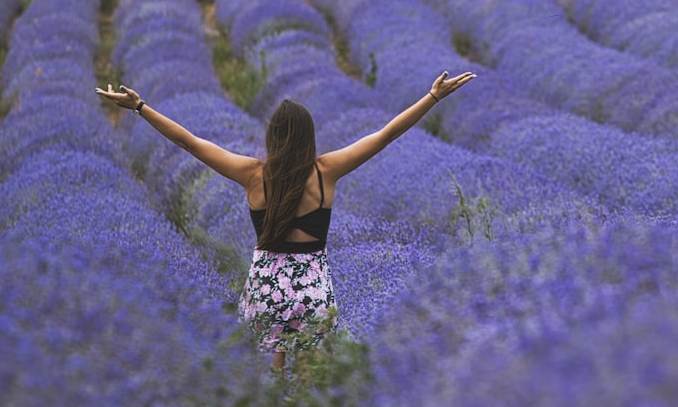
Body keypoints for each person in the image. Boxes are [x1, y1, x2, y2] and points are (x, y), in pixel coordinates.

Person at [96, 70, 476, 369]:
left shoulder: (252, 174)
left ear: (273, 137)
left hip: (265, 290)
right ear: (309, 137)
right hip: (312, 291)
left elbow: (189, 142)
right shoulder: (325, 171)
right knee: (313, 371)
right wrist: (432, 97)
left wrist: (140, 106)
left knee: (271, 370)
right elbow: (385, 135)